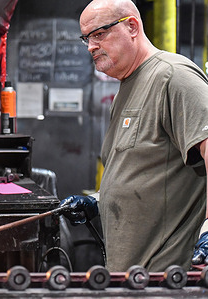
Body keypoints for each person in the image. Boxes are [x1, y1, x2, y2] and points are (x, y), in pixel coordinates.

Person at [60, 0, 208, 272]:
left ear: (131, 26)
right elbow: (141, 167)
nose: (91, 46)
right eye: (87, 38)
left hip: (168, 277)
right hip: (133, 275)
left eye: (99, 34)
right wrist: (97, 201)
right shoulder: (127, 87)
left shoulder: (174, 77)